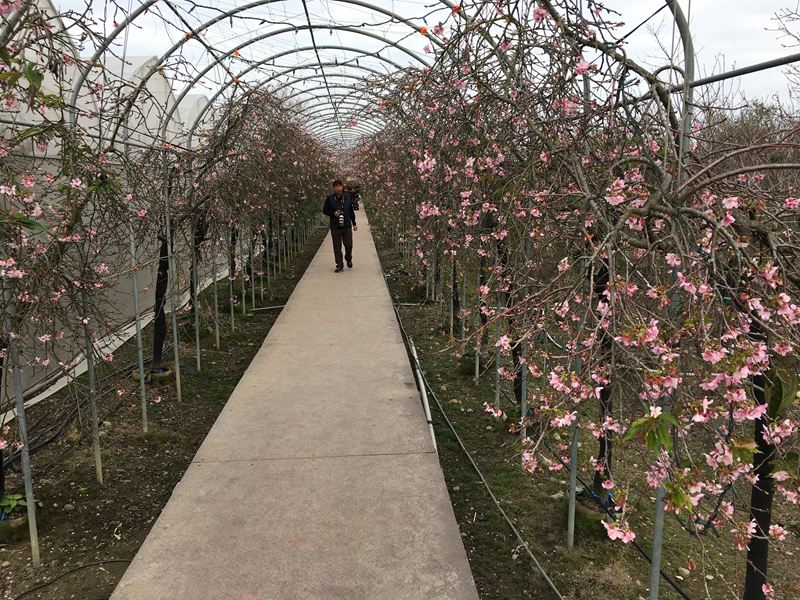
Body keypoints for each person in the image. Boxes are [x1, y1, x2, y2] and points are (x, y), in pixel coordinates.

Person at [322, 179, 358, 272]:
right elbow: (325, 210)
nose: (339, 188)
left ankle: (348, 258)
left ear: (342, 187)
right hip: (335, 225)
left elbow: (351, 210)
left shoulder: (347, 196)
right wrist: (334, 213)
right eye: (337, 186)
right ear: (334, 188)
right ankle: (339, 264)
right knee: (337, 246)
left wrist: (354, 223)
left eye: (340, 186)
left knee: (349, 244)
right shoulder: (330, 198)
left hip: (346, 225)